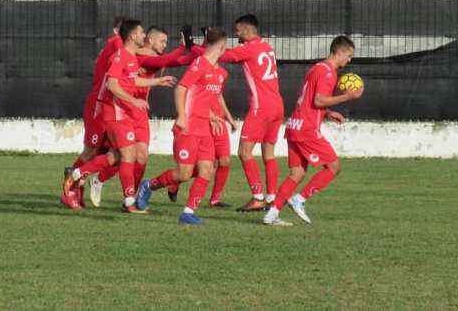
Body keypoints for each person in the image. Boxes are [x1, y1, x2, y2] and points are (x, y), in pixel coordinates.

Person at [61, 19, 175, 212]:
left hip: (124, 111)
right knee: (114, 153)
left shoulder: (129, 57)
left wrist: (158, 82)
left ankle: (83, 176)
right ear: (132, 36)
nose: (144, 36)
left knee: (121, 156)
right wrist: (134, 101)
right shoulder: (120, 54)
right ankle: (81, 181)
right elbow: (111, 84)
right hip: (114, 111)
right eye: (141, 33)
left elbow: (132, 80)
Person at [86, 25, 196, 208]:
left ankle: (132, 196)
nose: (164, 45)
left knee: (141, 156)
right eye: (162, 41)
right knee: (122, 155)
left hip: (140, 110)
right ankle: (90, 178)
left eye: (166, 42)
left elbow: (174, 61)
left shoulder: (153, 56)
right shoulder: (140, 55)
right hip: (125, 108)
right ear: (150, 40)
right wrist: (183, 48)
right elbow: (168, 61)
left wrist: (199, 51)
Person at [263, 35, 363, 227]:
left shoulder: (317, 67)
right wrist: (347, 97)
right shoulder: (328, 72)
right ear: (339, 52)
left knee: (297, 174)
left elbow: (309, 99)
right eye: (349, 55)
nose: (349, 60)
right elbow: (318, 100)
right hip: (307, 129)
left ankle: (272, 214)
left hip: (294, 126)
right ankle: (299, 199)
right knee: (334, 167)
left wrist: (328, 112)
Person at [135, 27, 229, 225]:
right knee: (184, 174)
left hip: (204, 127)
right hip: (188, 128)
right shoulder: (200, 64)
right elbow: (181, 88)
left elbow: (202, 97)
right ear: (222, 46)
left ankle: (187, 212)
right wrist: (182, 117)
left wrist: (211, 116)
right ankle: (148, 185)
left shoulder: (220, 72)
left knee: (206, 169)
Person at [219, 14, 285, 213]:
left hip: (261, 107)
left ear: (247, 30)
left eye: (238, 30)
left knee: (244, 152)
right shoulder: (266, 46)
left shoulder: (247, 48)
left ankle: (257, 197)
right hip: (277, 105)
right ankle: (271, 197)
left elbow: (222, 56)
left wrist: (201, 46)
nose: (235, 33)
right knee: (269, 154)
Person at [64, 15, 127, 206]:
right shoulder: (116, 43)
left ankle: (92, 181)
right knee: (91, 151)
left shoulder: (120, 49)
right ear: (117, 31)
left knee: (121, 153)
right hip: (99, 106)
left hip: (112, 106)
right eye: (129, 32)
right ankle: (70, 190)